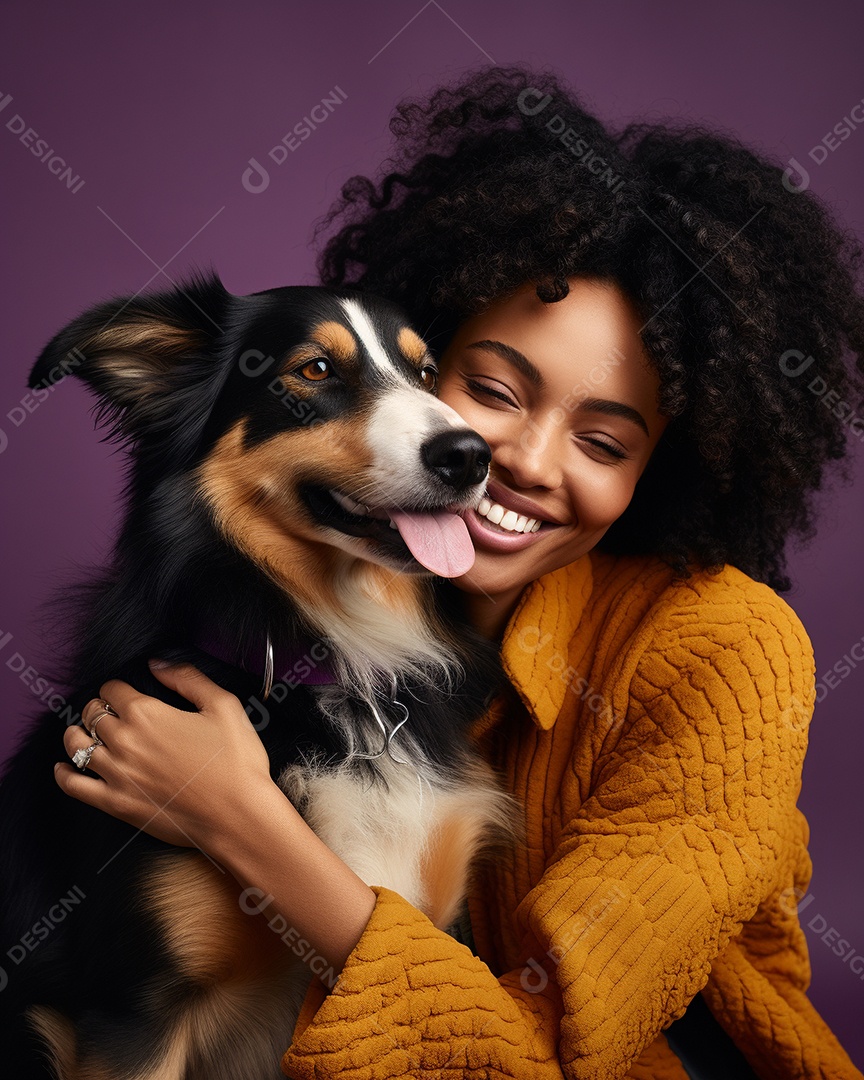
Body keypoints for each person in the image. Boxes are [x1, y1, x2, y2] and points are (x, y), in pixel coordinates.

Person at [54, 66, 864, 1078]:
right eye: (489, 389)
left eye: (605, 445)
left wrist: (245, 822)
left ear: (665, 476)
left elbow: (535, 1056)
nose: (521, 461)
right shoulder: (339, 602)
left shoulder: (727, 651)